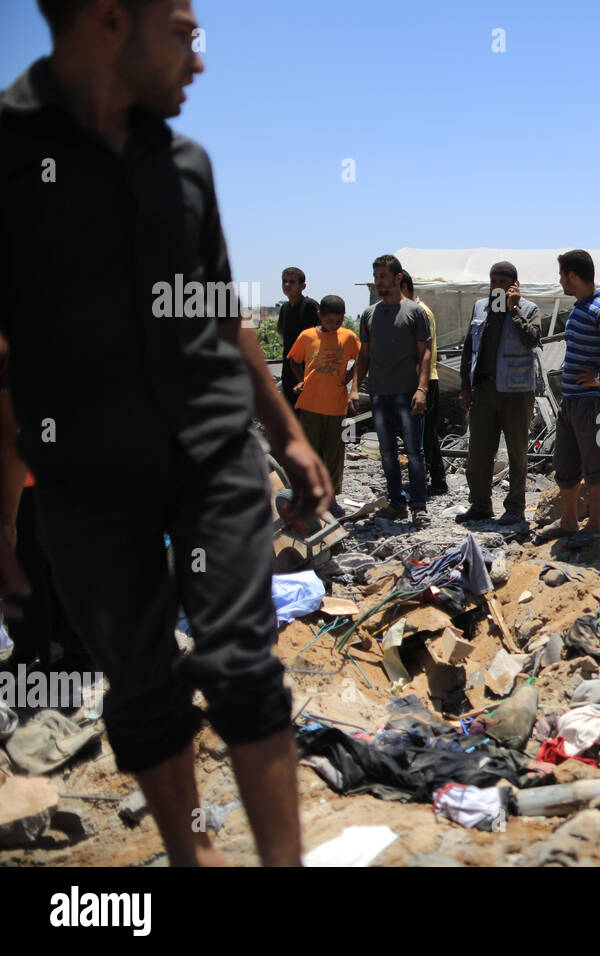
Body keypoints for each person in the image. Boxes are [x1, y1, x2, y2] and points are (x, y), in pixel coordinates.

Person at [0, 0, 334, 866]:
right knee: (143, 688)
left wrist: (289, 438)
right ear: (110, 19)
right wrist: (3, 521)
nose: (200, 59)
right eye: (184, 34)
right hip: (84, 473)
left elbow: (224, 316)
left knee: (241, 667)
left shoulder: (185, 164)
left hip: (213, 451)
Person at [535, 250, 600, 549]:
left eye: (562, 275)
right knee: (565, 463)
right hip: (574, 402)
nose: (560, 280)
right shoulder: (581, 308)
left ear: (573, 276)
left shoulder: (599, 308)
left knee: (597, 466)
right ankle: (568, 521)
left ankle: (594, 527)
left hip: (596, 402)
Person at [457, 261, 542, 526]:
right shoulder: (480, 307)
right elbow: (469, 348)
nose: (498, 287)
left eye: (504, 282)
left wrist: (513, 309)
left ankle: (515, 508)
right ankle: (480, 505)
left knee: (517, 453)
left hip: (516, 392)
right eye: (494, 281)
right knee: (479, 453)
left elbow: (532, 339)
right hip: (484, 391)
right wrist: (464, 386)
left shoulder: (529, 308)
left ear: (515, 285)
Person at [352, 255, 431, 525]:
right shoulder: (369, 314)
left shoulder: (415, 312)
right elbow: (364, 354)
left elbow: (425, 353)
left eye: (383, 277)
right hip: (379, 393)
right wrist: (354, 388)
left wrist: (422, 389)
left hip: (407, 393)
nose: (378, 283)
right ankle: (397, 503)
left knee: (414, 453)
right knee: (386, 453)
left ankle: (419, 506)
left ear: (398, 278)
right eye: (376, 278)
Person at [287, 295, 360, 507]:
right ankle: (306, 495)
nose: (335, 325)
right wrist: (302, 380)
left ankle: (331, 498)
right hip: (310, 404)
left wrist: (350, 375)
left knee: (335, 455)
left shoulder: (348, 337)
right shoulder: (307, 336)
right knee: (309, 453)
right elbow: (294, 360)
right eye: (330, 321)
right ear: (320, 316)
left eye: (339, 321)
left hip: (337, 406)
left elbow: (363, 358)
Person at [398, 271, 448, 497]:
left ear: (405, 288)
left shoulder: (421, 312)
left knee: (426, 433)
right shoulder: (411, 311)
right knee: (420, 433)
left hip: (426, 380)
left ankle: (436, 480)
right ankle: (429, 478)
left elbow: (424, 351)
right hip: (415, 380)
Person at [276, 266, 318, 409]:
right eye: (284, 281)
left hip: (306, 371)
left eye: (292, 282)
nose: (287, 285)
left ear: (303, 286)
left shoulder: (310, 306)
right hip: (288, 371)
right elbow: (281, 329)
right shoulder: (285, 308)